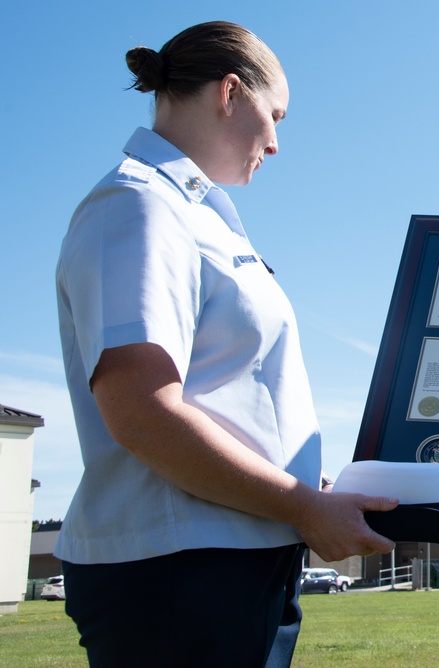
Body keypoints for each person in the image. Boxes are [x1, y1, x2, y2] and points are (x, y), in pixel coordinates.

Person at [55, 21, 398, 667]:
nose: (277, 142)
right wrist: (304, 504)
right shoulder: (137, 207)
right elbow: (141, 411)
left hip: (233, 558)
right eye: (276, 115)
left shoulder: (190, 216)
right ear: (230, 92)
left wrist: (303, 486)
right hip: (178, 572)